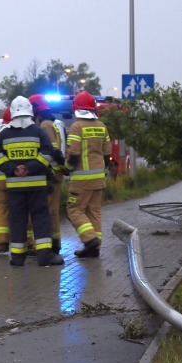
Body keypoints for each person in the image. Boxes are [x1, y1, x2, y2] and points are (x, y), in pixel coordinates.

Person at [0, 96, 64, 267]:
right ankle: (45, 256)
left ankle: (17, 257)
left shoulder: (5, 134)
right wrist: (31, 167)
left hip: (15, 188)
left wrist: (13, 169)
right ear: (30, 112)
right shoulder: (38, 132)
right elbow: (48, 152)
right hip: (37, 186)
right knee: (40, 220)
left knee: (17, 221)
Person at [65, 91, 112, 258]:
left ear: (76, 109)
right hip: (99, 179)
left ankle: (89, 239)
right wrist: (104, 172)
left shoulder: (77, 127)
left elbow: (74, 154)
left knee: (74, 210)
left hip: (81, 180)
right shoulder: (101, 126)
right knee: (94, 211)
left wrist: (66, 168)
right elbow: (107, 155)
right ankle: (95, 248)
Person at [27, 94, 66, 253]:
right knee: (53, 210)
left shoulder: (45, 126)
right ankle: (55, 242)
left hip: (50, 175)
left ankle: (45, 245)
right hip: (55, 173)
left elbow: (51, 152)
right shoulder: (51, 123)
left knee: (45, 211)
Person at [0, 107, 11, 254]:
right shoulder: (20, 133)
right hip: (17, 180)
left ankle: (1, 242)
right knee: (24, 210)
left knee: (1, 210)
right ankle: (30, 243)